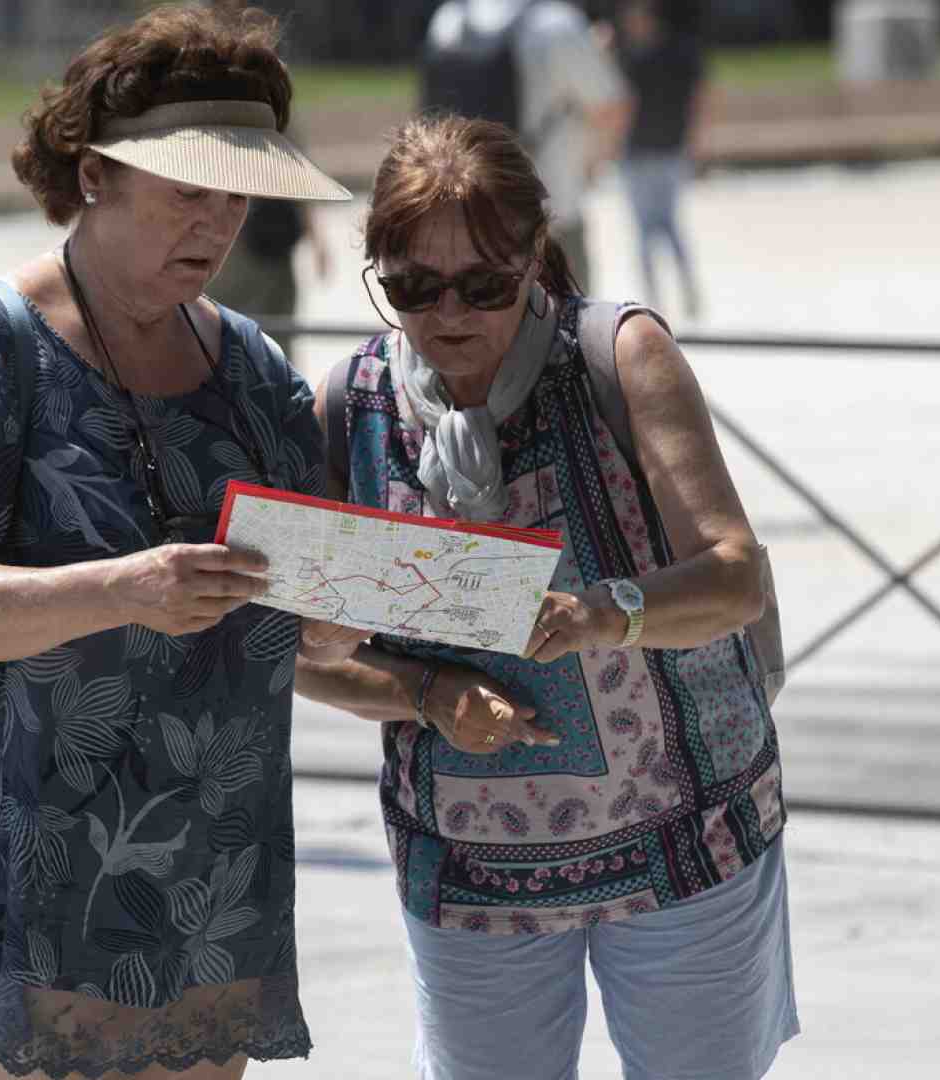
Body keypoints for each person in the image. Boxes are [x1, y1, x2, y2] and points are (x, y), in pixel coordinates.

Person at [0, 6, 349, 1079]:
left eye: (237, 197)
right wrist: (125, 589)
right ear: (93, 176)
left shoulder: (258, 373)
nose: (217, 225)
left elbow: (307, 621)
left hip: (208, 859)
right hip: (12, 854)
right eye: (188, 193)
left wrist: (426, 649)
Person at [297, 116, 795, 1080]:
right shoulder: (350, 402)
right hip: (469, 873)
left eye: (482, 283)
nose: (448, 312)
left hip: (686, 846)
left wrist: (601, 616)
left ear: (532, 258)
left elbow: (733, 574)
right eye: (412, 286)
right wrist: (429, 697)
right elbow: (311, 650)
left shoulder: (617, 356)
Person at [421, 0, 626, 291]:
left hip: (467, 218)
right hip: (551, 214)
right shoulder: (558, 24)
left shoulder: (449, 20)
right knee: (571, 325)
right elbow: (612, 106)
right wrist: (591, 167)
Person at [609, 0, 707, 320]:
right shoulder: (635, 55)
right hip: (646, 152)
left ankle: (678, 292)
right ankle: (661, 296)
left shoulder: (650, 56)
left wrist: (694, 143)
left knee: (661, 227)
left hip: (658, 152)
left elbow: (696, 100)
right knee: (652, 229)